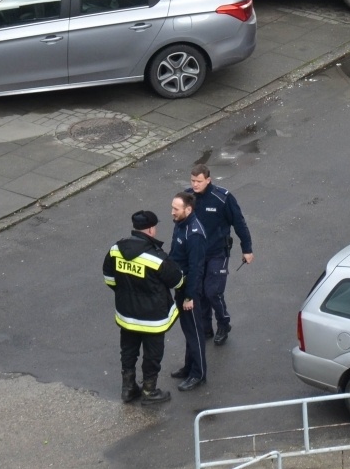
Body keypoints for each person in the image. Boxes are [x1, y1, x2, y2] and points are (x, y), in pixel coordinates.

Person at [103, 210, 183, 406]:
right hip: (152, 319)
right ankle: (149, 390)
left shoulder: (115, 249)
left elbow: (109, 279)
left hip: (127, 315)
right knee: (152, 354)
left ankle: (128, 388)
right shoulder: (157, 258)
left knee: (128, 350)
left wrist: (125, 294)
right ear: (150, 229)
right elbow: (177, 281)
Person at [188, 164, 253, 346]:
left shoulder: (222, 198)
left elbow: (239, 223)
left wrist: (247, 249)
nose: (195, 185)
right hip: (197, 255)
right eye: (192, 181)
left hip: (217, 252)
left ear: (208, 180)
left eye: (199, 181)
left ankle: (224, 324)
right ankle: (206, 327)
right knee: (199, 293)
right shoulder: (188, 197)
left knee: (213, 292)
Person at [169, 191, 209, 391]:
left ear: (188, 209)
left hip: (189, 291)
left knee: (194, 332)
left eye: (176, 209)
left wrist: (189, 296)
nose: (172, 212)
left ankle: (198, 374)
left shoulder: (194, 234)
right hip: (181, 287)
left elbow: (196, 268)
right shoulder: (180, 225)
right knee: (188, 330)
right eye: (172, 208)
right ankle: (188, 367)